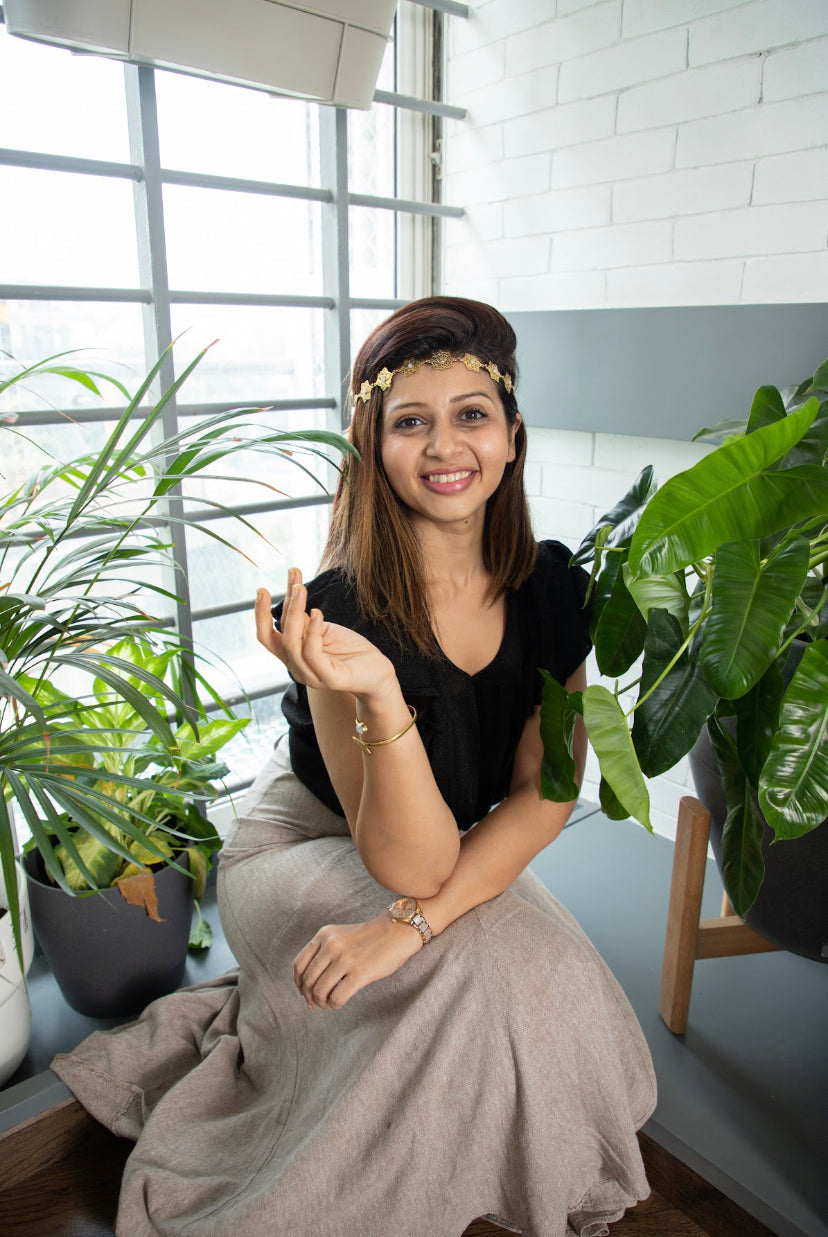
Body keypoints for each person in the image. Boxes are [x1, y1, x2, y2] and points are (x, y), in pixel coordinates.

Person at [53, 297, 656, 1237]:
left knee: (535, 969)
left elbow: (547, 794)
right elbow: (414, 865)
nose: (444, 444)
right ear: (372, 445)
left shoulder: (554, 589)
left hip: (437, 844)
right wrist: (376, 691)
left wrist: (407, 928)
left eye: (471, 414)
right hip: (302, 839)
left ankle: (495, 1161)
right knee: (475, 968)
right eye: (409, 421)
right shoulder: (338, 612)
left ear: (511, 436)